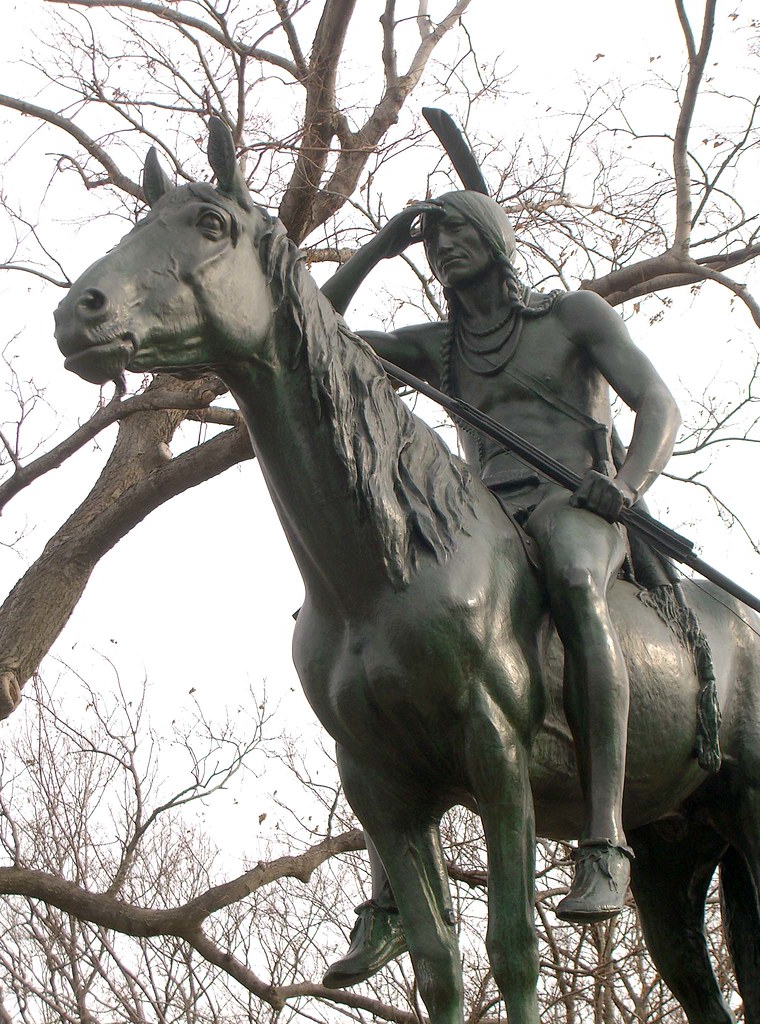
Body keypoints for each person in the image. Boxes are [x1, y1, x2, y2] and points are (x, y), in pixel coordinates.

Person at [319, 191, 681, 988]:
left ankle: (605, 838)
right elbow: (320, 333)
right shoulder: (440, 345)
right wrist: (379, 246)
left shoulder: (572, 317)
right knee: (384, 644)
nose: (443, 245)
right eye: (433, 236)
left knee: (580, 582)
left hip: (575, 503)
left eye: (457, 230)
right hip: (484, 522)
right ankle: (390, 898)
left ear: (492, 237)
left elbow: (659, 403)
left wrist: (625, 482)